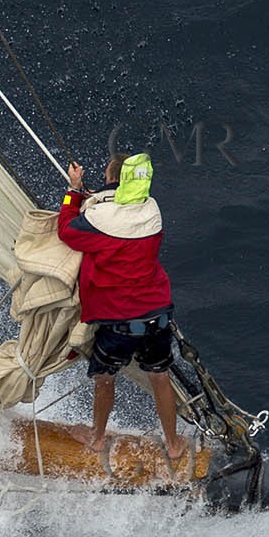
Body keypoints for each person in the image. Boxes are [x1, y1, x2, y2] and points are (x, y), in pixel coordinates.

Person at [56, 151, 188, 460]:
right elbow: (123, 209)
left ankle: (98, 438)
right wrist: (100, 197)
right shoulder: (153, 211)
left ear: (110, 177)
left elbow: (67, 230)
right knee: (160, 377)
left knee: (105, 378)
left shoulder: (100, 219)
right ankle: (172, 445)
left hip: (119, 321)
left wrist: (74, 192)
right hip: (157, 315)